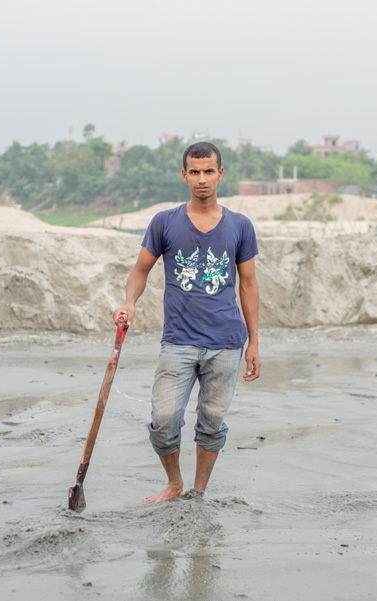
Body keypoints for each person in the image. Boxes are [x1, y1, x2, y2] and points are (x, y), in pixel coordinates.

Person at [113, 141, 261, 503]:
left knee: (211, 422)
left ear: (220, 174)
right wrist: (130, 303)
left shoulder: (240, 226)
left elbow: (249, 283)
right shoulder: (165, 222)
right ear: (184, 175)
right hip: (177, 341)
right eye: (194, 172)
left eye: (209, 171)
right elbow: (140, 271)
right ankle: (175, 482)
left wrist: (254, 341)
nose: (202, 179)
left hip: (226, 341)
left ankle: (198, 491)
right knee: (164, 421)